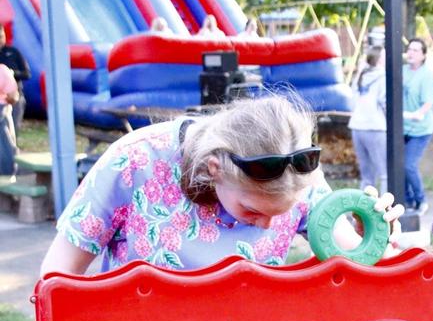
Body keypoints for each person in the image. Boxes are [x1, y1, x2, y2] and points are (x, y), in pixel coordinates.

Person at [40, 95, 404, 276]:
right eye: (252, 211)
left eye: (282, 213)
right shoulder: (136, 161)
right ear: (214, 168)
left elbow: (358, 260)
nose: (268, 225)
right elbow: (58, 273)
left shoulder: (296, 176)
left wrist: (376, 236)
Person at [402, 38, 433, 214]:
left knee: (409, 165)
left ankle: (421, 200)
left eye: (416, 50)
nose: (411, 53)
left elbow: (428, 102)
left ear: (423, 55)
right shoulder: (401, 71)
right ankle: (407, 202)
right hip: (401, 127)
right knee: (398, 165)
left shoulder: (427, 75)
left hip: (420, 129)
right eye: (409, 49)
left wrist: (418, 114)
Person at [349, 45, 387, 194]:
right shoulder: (383, 77)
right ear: (378, 59)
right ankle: (385, 211)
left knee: (367, 176)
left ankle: (360, 211)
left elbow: (352, 100)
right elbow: (384, 102)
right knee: (385, 174)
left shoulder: (361, 76)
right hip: (375, 127)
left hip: (357, 127)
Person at [0, 25, 31, 134]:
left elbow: (27, 74)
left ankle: (12, 149)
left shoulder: (13, 52)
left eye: (1, 36)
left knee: (12, 129)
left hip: (14, 96)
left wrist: (12, 73)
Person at [0, 64, 19, 175]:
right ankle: (7, 180)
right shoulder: (2, 70)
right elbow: (13, 96)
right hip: (2, 110)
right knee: (6, 148)